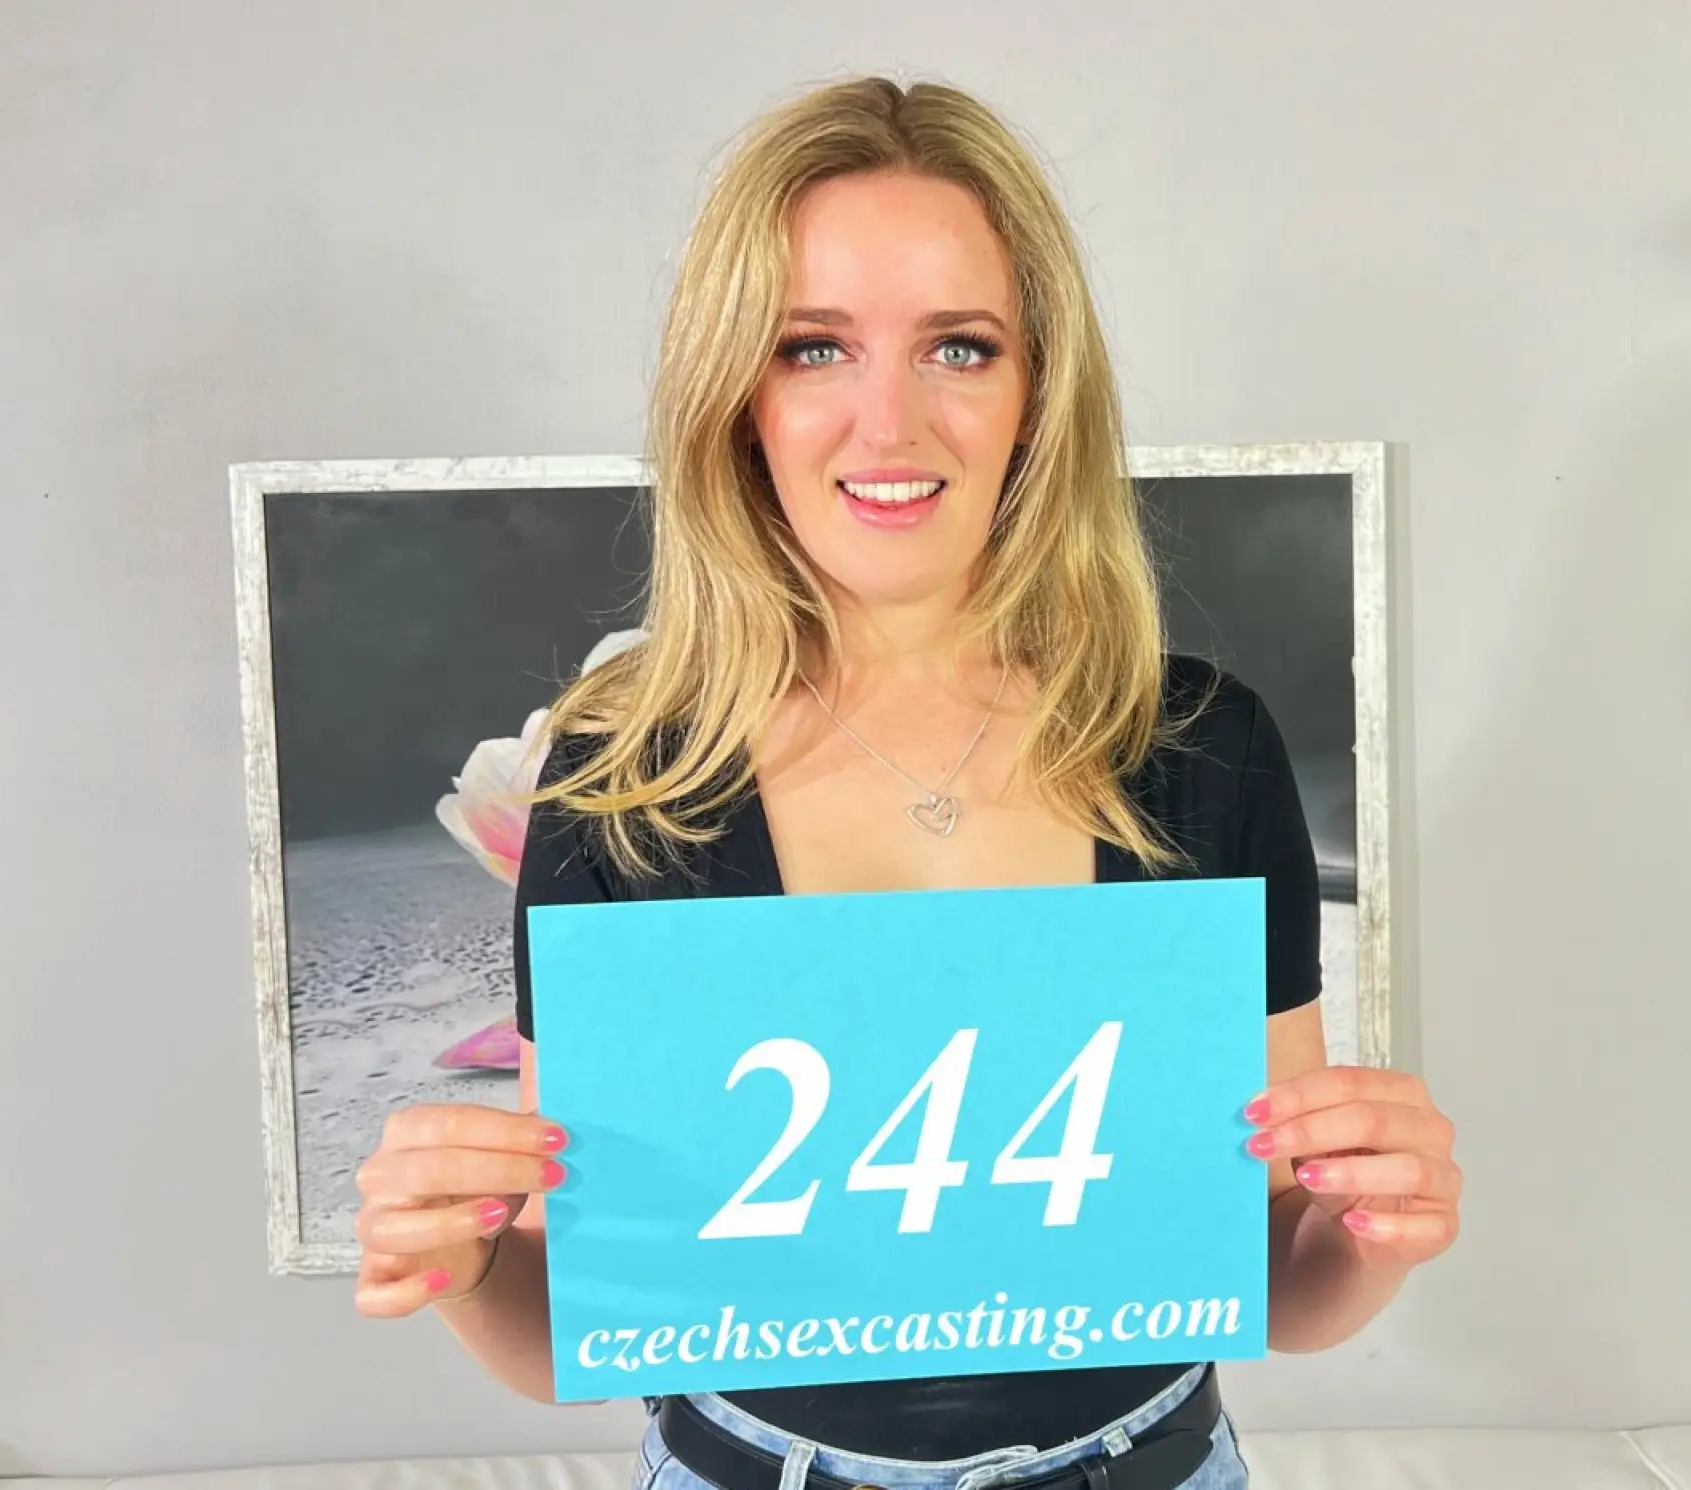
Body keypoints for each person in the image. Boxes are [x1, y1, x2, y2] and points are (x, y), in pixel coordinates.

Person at [352, 74, 1462, 1490]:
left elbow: (1264, 1269)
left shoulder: (1206, 747)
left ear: (1036, 390)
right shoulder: (625, 783)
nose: (890, 424)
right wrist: (454, 1267)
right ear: (738, 397)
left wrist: (1372, 1233)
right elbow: (586, 1312)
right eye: (814, 347)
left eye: (960, 347)